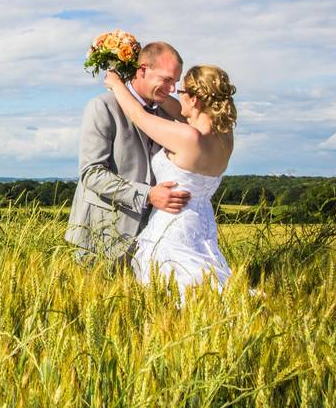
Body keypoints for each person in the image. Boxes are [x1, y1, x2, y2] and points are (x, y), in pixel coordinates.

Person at [102, 64, 237, 302]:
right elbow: (179, 111)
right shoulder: (224, 135)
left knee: (177, 294)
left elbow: (138, 116)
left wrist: (116, 82)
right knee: (205, 290)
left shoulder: (189, 137)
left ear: (194, 99)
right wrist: (157, 88)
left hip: (173, 227)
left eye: (182, 91)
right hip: (203, 227)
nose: (176, 94)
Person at [65, 42, 192, 267]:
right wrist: (147, 195)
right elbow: (91, 173)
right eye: (166, 79)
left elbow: (196, 123)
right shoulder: (102, 107)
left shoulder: (166, 112)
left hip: (150, 240)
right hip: (100, 237)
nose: (172, 89)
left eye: (175, 82)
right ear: (142, 70)